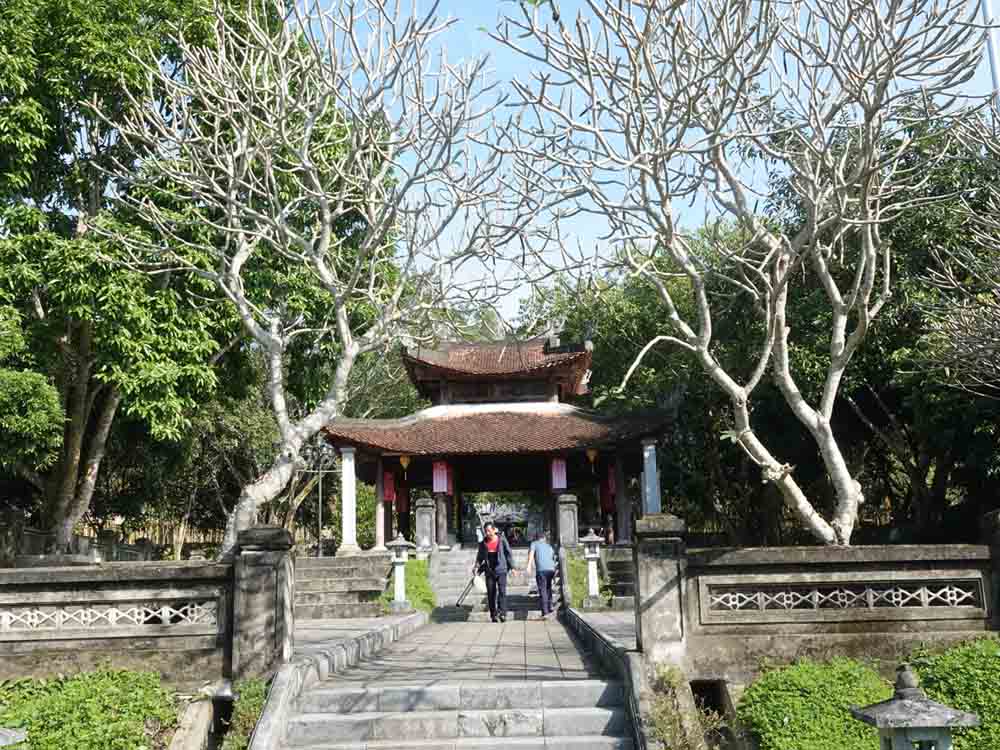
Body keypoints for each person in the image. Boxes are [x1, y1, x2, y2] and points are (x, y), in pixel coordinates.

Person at [473, 522, 515, 622]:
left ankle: (502, 613)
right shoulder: (483, 543)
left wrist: (512, 567)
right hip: (489, 570)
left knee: (502, 592)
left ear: (493, 530)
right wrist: (476, 567)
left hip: (501, 569)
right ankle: (493, 614)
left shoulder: (501, 539)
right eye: (486, 531)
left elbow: (508, 553)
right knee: (491, 593)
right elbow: (480, 557)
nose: (487, 533)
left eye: (489, 531)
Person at [527, 530, 557, 618]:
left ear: (537, 538)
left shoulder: (534, 543)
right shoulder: (548, 545)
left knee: (543, 589)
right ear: (543, 538)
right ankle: (550, 606)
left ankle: (545, 612)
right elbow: (553, 557)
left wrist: (529, 566)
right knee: (548, 588)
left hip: (541, 570)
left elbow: (531, 554)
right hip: (551, 569)